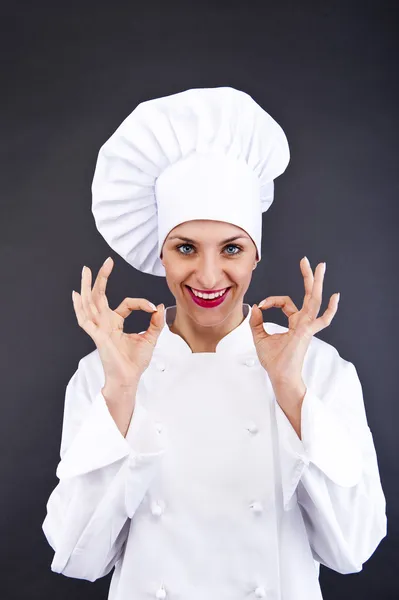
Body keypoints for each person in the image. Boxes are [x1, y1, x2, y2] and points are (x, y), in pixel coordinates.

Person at [42, 87, 387, 600]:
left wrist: (290, 388)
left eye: (231, 248)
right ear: (161, 256)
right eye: (185, 248)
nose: (208, 274)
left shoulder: (319, 369)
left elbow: (352, 550)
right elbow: (77, 559)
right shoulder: (105, 372)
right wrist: (120, 390)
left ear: (255, 256)